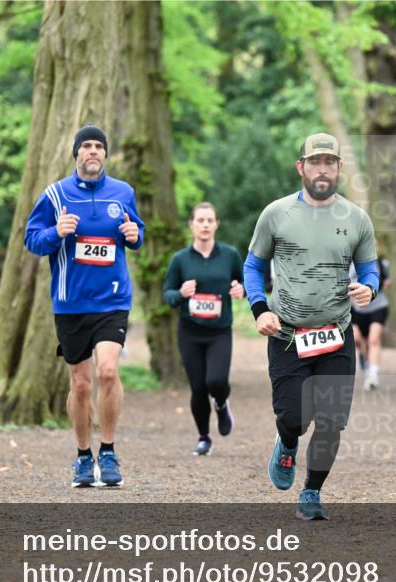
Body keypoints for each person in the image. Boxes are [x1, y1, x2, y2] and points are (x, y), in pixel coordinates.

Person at [243, 132, 379, 521]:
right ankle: (286, 444)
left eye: (330, 163)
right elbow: (252, 266)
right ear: (301, 167)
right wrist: (259, 310)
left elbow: (370, 267)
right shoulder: (276, 214)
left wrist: (368, 287)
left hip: (336, 334)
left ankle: (311, 492)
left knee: (332, 421)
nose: (323, 170)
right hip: (288, 336)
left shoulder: (357, 219)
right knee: (294, 418)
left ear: (340, 168)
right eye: (315, 162)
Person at [24, 125, 144, 488]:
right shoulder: (55, 195)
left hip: (112, 299)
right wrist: (55, 232)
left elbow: (136, 231)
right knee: (80, 384)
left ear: (105, 154)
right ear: (76, 153)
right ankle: (81, 457)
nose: (92, 151)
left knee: (107, 372)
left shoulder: (123, 192)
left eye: (98, 146)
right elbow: (32, 240)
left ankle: (107, 452)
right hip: (70, 302)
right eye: (86, 146)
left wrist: (135, 235)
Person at [163, 202, 245, 456]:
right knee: (198, 387)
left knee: (216, 381)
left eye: (210, 220)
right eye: (200, 220)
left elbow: (245, 282)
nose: (205, 225)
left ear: (217, 224)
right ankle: (204, 437)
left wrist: (241, 290)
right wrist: (181, 293)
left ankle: (221, 404)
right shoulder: (180, 259)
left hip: (219, 331)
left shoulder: (230, 255)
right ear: (192, 224)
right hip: (190, 332)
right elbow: (167, 294)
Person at [350, 257, 390, 391]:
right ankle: (366, 362)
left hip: (378, 307)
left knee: (373, 340)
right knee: (358, 341)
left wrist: (386, 283)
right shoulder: (346, 261)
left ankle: (372, 376)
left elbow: (385, 280)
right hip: (356, 309)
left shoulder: (381, 263)